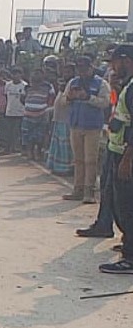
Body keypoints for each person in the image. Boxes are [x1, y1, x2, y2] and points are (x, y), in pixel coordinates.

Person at [101, 45, 133, 273]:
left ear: (126, 60)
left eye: (115, 62)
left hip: (125, 153)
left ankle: (130, 257)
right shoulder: (126, 86)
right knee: (118, 203)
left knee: (126, 206)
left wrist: (127, 158)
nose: (112, 67)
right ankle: (128, 244)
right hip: (117, 148)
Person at [64, 55, 111, 204]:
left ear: (91, 67)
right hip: (76, 125)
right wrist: (70, 97)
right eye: (79, 68)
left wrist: (88, 97)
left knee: (90, 160)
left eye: (85, 68)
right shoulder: (73, 82)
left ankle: (89, 191)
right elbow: (64, 101)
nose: (82, 71)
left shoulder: (101, 84)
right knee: (78, 159)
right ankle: (77, 189)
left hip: (92, 126)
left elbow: (105, 103)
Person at [2, 68, 27, 154]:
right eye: (13, 74)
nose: (15, 76)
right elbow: (6, 97)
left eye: (17, 74)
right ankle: (7, 147)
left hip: (20, 111)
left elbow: (25, 98)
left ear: (21, 75)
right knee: (8, 131)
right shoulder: (8, 85)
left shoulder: (24, 85)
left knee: (17, 131)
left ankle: (16, 147)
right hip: (9, 111)